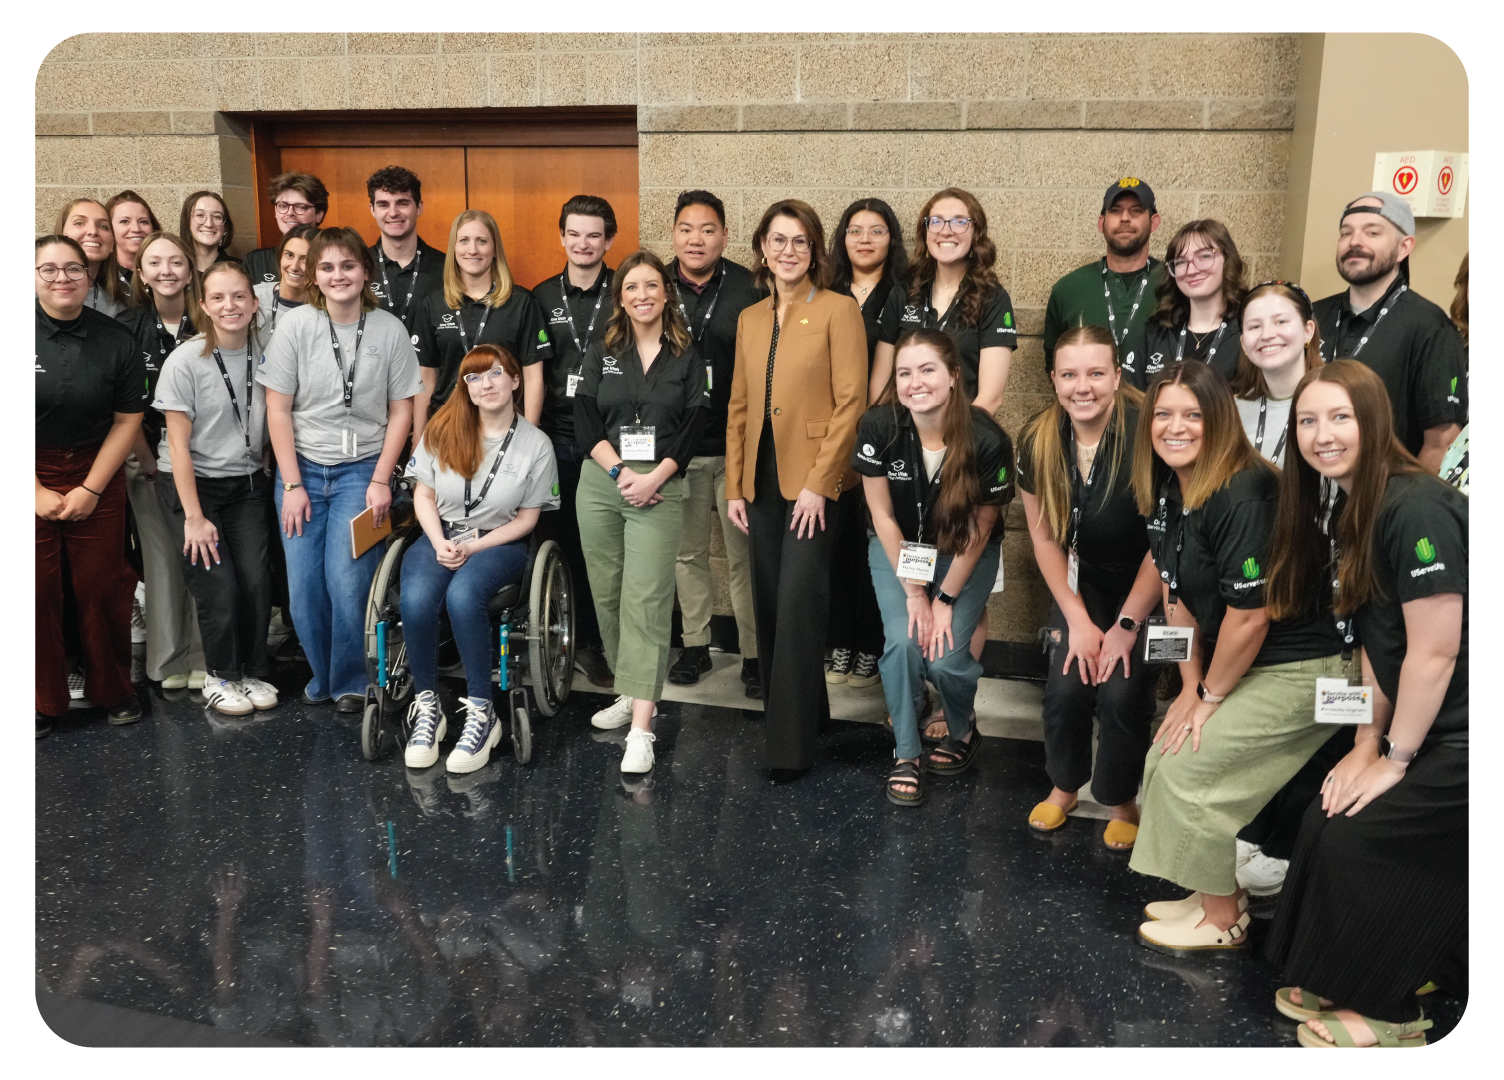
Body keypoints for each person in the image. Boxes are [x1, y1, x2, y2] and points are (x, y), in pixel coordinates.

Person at [1265, 360, 1470, 1049]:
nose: (1322, 435)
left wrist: (1395, 757)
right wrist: (1362, 742)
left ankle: (1395, 1010)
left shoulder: (1416, 505)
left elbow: (1434, 652)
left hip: (1470, 735)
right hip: (1425, 722)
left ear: (1374, 419)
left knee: (1362, 835)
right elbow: (1373, 645)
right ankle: (1367, 969)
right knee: (1325, 812)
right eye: (1308, 420)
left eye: (1340, 417)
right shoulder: (1356, 506)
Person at [1128, 361, 1347, 957]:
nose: (1176, 427)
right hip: (1239, 664)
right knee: (1167, 748)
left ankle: (1224, 919)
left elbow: (1251, 617)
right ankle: (1210, 894)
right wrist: (1188, 690)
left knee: (1191, 769)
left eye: (1193, 414)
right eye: (1164, 414)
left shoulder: (1244, 492)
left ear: (1220, 419)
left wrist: (1210, 699)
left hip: (1306, 668)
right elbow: (1178, 598)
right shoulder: (1168, 490)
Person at [725, 199, 867, 772]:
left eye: (800, 242)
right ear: (762, 247)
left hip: (815, 483)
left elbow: (851, 402)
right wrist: (735, 484)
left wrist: (820, 484)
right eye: (778, 240)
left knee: (800, 602)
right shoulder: (750, 317)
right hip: (760, 479)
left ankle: (788, 748)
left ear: (815, 252)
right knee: (771, 604)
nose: (788, 251)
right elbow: (738, 405)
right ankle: (814, 717)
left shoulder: (839, 309)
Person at [259, 227, 422, 712]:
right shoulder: (296, 326)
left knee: (348, 582)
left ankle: (352, 679)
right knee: (305, 590)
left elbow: (402, 411)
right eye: (327, 267)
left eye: (348, 266)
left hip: (362, 473)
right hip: (302, 472)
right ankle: (323, 675)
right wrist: (290, 483)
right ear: (314, 274)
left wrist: (380, 480)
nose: (338, 275)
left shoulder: (389, 329)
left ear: (365, 271)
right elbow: (277, 409)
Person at [873, 187, 1018, 732]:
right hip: (909, 455)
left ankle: (958, 700)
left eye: (960, 221)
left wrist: (946, 443)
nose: (948, 230)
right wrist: (891, 436)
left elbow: (993, 394)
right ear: (924, 230)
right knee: (910, 584)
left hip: (964, 457)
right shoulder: (903, 291)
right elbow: (887, 376)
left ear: (976, 231)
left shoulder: (991, 296)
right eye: (937, 220)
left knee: (962, 596)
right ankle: (915, 698)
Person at [1016, 325, 1161, 846]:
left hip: (1146, 584)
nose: (1084, 387)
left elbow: (1163, 543)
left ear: (1118, 376)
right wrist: (1077, 618)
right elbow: (1043, 538)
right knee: (1065, 686)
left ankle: (1121, 797)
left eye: (1097, 373)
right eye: (1070, 374)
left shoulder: (1149, 431)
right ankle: (1064, 785)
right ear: (1053, 379)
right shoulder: (1036, 439)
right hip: (1078, 584)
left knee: (1123, 691)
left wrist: (1126, 624)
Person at [854, 329, 1011, 805]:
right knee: (902, 643)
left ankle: (962, 728)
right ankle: (907, 751)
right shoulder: (878, 426)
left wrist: (943, 598)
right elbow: (881, 514)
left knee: (945, 660)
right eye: (904, 372)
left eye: (927, 370)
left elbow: (980, 530)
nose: (915, 382)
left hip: (963, 552)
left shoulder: (987, 438)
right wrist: (914, 590)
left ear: (953, 377)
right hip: (897, 548)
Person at [575, 250, 709, 774]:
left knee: (647, 598)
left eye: (652, 285)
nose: (642, 295)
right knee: (607, 593)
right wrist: (619, 475)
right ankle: (629, 690)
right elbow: (586, 420)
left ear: (666, 292)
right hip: (603, 482)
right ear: (620, 297)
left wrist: (654, 476)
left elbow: (694, 425)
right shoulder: (600, 349)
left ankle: (642, 727)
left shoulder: (687, 355)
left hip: (660, 484)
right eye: (632, 288)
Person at [401, 344, 559, 774]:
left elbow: (528, 519)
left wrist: (474, 548)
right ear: (465, 388)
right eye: (473, 377)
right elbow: (424, 495)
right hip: (441, 535)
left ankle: (482, 714)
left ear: (514, 380)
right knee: (414, 601)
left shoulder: (536, 445)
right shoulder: (442, 428)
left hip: (500, 542)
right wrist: (438, 541)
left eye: (493, 374)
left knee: (463, 596)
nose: (484, 384)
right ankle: (427, 708)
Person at [154, 261, 279, 717]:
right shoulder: (185, 361)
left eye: (240, 297)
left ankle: (250, 671)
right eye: (220, 298)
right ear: (204, 306)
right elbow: (179, 448)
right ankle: (220, 676)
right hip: (193, 485)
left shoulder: (269, 350)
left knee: (255, 580)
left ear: (254, 302)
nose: (231, 306)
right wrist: (193, 517)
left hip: (245, 483)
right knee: (218, 585)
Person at [34, 235, 147, 736]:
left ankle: (113, 689)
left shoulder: (116, 338)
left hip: (95, 470)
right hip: (34, 472)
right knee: (37, 590)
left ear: (88, 275)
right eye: (49, 269)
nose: (63, 278)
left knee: (101, 586)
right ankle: (44, 700)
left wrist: (92, 489)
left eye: (73, 269)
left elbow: (127, 420)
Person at [664, 190, 764, 693]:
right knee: (687, 554)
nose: (696, 238)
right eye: (686, 228)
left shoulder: (751, 289)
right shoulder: (654, 286)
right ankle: (697, 646)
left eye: (707, 229)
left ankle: (753, 655)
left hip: (737, 448)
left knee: (744, 556)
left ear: (724, 235)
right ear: (674, 233)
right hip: (677, 450)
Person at [529, 195, 620, 688]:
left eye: (594, 234)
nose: (583, 243)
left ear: (609, 239)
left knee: (601, 548)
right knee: (561, 542)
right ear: (561, 236)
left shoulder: (626, 292)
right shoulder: (540, 297)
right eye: (574, 233)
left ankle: (606, 641)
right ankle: (573, 639)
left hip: (609, 440)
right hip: (555, 440)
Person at [1312, 193, 1467, 473]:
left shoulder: (1431, 327)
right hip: (1308, 495)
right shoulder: (1312, 317)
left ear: (1404, 247)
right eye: (1346, 233)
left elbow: (1442, 442)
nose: (1355, 241)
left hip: (1385, 501)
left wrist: (1407, 511)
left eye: (1372, 232)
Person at [823, 197, 908, 689]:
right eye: (855, 230)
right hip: (829, 433)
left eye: (876, 231)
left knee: (873, 539)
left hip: (880, 430)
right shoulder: (825, 291)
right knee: (836, 542)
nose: (865, 239)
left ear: (891, 239)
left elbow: (893, 366)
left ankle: (870, 647)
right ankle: (838, 642)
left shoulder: (900, 293)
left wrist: (863, 418)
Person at [117, 232, 207, 690]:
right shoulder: (127, 326)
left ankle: (203, 657)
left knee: (204, 556)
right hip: (147, 458)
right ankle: (169, 661)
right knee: (163, 558)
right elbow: (123, 404)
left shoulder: (209, 319)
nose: (167, 270)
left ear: (191, 270)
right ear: (142, 272)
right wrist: (148, 460)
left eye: (176, 261)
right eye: (156, 263)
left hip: (206, 461)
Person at [413, 211, 551, 442]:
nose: (473, 250)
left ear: (495, 249)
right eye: (464, 240)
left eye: (482, 241)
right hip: (447, 427)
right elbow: (425, 378)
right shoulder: (432, 305)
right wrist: (419, 434)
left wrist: (529, 434)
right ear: (453, 248)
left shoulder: (521, 303)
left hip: (504, 427)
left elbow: (534, 377)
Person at [1044, 178, 1164, 371]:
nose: (1125, 218)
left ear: (1154, 222)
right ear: (1102, 223)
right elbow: (1054, 362)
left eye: (1136, 210)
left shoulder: (1175, 283)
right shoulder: (1069, 288)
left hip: (1156, 401)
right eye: (1115, 210)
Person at [1138, 219, 1246, 390]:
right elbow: (1133, 401)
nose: (1192, 270)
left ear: (1227, 259)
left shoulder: (1247, 332)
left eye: (1204, 256)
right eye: (1180, 262)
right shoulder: (1156, 332)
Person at [1231, 281, 1324, 468]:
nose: (1266, 335)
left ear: (1308, 331)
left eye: (1280, 322)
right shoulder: (1231, 410)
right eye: (1254, 326)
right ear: (1243, 343)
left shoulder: (1338, 402)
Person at [366, 166, 445, 335]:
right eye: (383, 204)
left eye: (402, 203)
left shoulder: (447, 268)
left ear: (419, 207)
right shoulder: (357, 265)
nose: (393, 213)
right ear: (372, 210)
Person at [243, 172, 329, 286]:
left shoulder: (332, 259)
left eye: (301, 207)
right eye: (283, 206)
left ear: (319, 214)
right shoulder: (256, 260)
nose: (290, 213)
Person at [253, 223, 319, 346]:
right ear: (280, 256)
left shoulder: (326, 307)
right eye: (289, 255)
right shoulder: (253, 297)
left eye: (305, 259)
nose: (294, 266)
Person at [56, 198, 121, 316]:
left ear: (112, 244)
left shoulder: (120, 305)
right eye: (79, 223)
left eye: (103, 226)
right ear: (61, 234)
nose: (93, 231)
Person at [105, 190, 161, 308]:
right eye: (124, 221)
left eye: (143, 222)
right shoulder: (99, 277)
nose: (136, 228)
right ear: (109, 228)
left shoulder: (165, 272)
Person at [179, 191, 236, 275]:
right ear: (187, 222)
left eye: (217, 217)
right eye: (200, 215)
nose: (209, 224)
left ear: (225, 226)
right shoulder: (176, 270)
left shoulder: (239, 269)